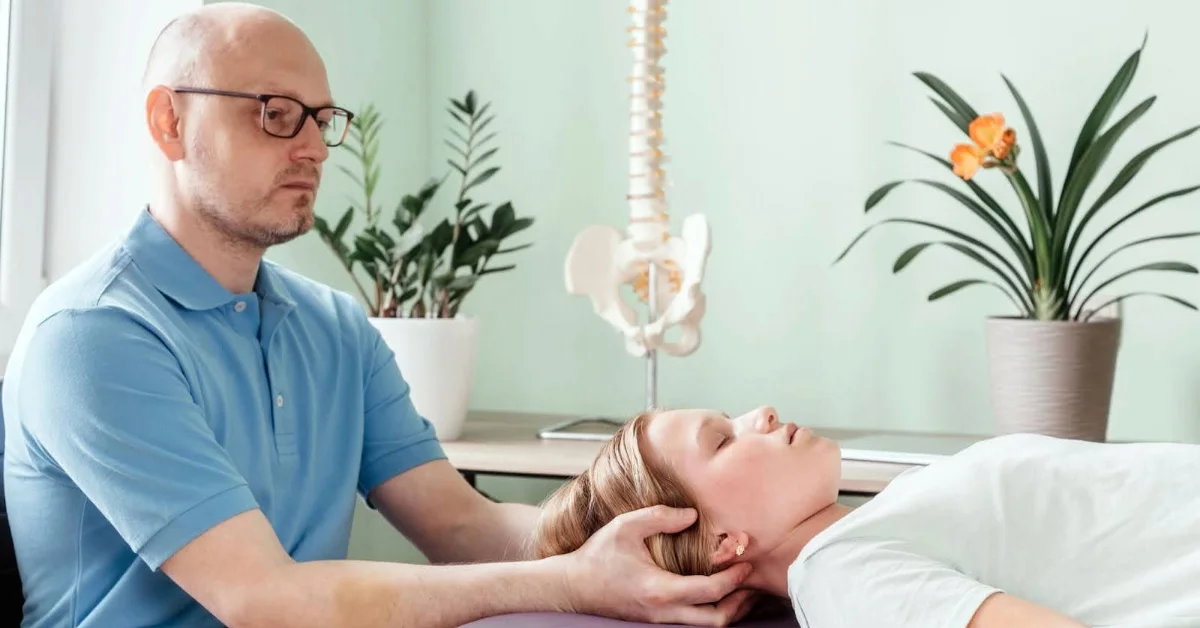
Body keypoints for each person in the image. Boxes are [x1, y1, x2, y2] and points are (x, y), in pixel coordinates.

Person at [0, 4, 759, 627]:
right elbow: (263, 599)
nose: (312, 148)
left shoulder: (333, 327)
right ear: (168, 123)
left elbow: (462, 527)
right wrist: (568, 583)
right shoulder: (93, 335)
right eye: (275, 114)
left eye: (320, 119)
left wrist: (672, 538)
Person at [532, 405, 1200, 628]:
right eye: (725, 439)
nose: (760, 414)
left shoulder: (879, 520)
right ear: (719, 544)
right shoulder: (842, 576)